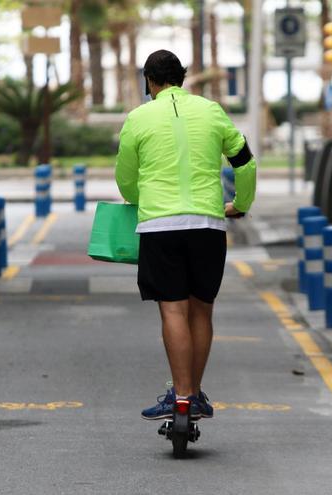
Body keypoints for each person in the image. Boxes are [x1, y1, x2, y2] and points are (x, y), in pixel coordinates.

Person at [115, 50, 257, 420]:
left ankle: (179, 397)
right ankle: (193, 396)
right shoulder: (211, 111)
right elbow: (245, 162)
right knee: (201, 310)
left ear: (149, 80)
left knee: (173, 309)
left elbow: (125, 177)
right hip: (208, 225)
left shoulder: (138, 117)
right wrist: (241, 203)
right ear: (182, 76)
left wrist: (139, 199)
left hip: (160, 227)